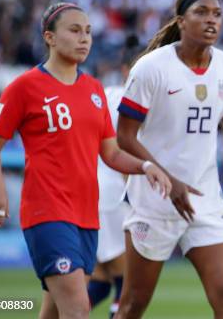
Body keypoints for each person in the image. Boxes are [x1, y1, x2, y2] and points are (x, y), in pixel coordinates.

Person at [0, 2, 171, 319]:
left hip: (87, 217)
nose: (84, 38)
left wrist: (146, 167)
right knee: (79, 310)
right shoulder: (24, 87)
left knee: (53, 313)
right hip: (48, 212)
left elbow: (110, 153)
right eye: (74, 30)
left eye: (88, 32)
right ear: (49, 38)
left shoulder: (94, 90)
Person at [114, 0, 223, 319]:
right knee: (132, 304)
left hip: (204, 199)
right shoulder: (151, 68)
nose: (211, 19)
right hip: (152, 200)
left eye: (217, 13)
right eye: (201, 12)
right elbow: (124, 136)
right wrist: (169, 180)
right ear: (181, 20)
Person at [88, 37, 139, 318]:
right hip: (114, 196)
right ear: (125, 70)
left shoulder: (103, 94)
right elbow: (121, 151)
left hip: (93, 192)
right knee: (126, 282)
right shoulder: (130, 101)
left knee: (100, 281)